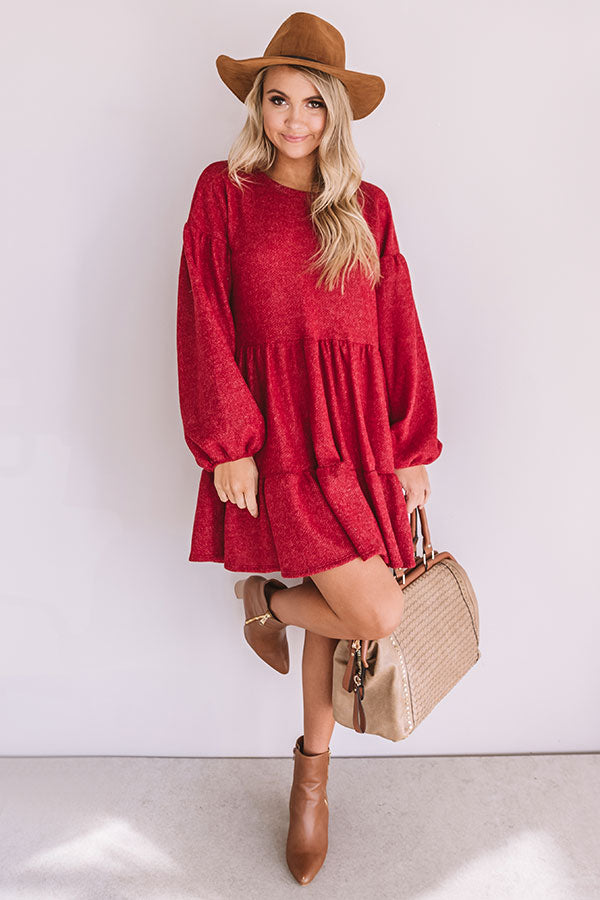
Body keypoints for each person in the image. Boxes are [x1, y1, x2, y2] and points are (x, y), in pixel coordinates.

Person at [176, 12, 443, 886]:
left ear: (337, 114)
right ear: (259, 106)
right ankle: (268, 605)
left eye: (314, 103)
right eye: (279, 100)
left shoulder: (368, 208)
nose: (295, 119)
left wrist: (410, 446)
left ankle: (311, 785)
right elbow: (204, 314)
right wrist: (229, 443)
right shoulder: (224, 193)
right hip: (280, 441)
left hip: (356, 441)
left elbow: (397, 326)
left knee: (342, 608)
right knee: (375, 611)